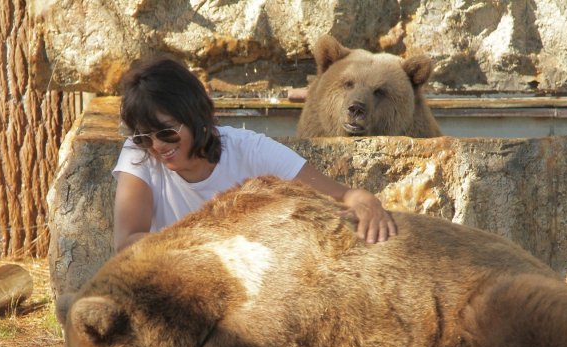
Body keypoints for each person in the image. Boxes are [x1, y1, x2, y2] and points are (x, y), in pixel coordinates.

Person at [112, 57, 397, 252]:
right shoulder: (139, 152)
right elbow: (126, 242)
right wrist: (200, 243)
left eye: (166, 131)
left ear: (195, 115)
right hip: (178, 278)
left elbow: (344, 196)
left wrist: (366, 200)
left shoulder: (249, 150)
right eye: (143, 136)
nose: (156, 145)